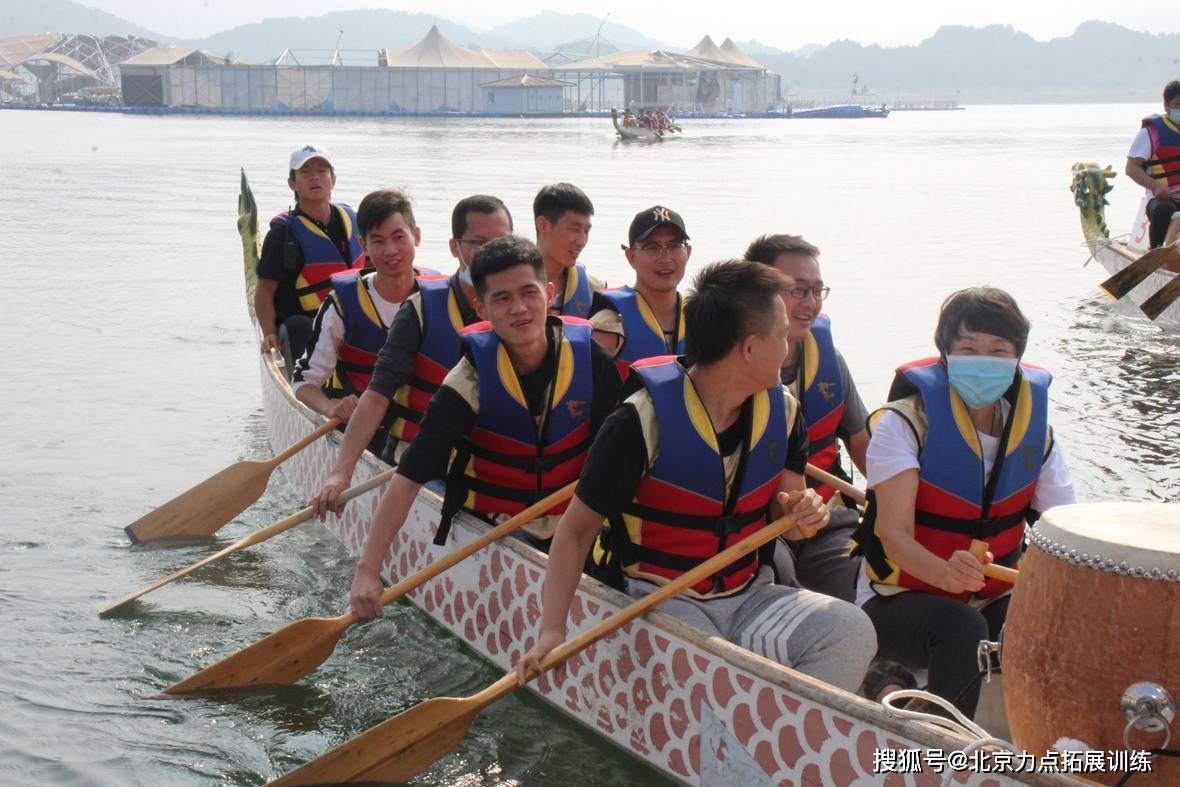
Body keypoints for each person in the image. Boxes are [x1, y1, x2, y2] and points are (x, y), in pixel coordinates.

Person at [515, 261, 877, 693]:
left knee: (851, 629)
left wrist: (808, 513)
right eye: (781, 336)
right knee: (711, 666)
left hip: (749, 595)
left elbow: (795, 525)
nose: (788, 347)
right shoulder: (638, 421)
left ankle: (789, 739)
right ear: (748, 348)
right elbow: (574, 531)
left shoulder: (784, 412)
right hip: (660, 598)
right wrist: (552, 632)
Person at [348, 236, 623, 621]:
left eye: (529, 293)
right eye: (502, 298)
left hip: (573, 526)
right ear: (481, 307)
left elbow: (613, 461)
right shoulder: (467, 383)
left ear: (549, 292)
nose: (520, 309)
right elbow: (409, 477)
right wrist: (367, 572)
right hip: (497, 526)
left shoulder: (593, 363)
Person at [850, 287, 1076, 718]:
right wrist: (943, 573)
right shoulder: (905, 423)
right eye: (968, 349)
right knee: (963, 627)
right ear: (945, 354)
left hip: (989, 593)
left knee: (1049, 618)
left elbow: (1062, 526)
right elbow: (894, 537)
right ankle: (944, 754)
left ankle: (1046, 744)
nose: (983, 361)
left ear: (1016, 359)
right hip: (895, 595)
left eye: (998, 350)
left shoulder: (1036, 435)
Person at [310, 195, 513, 518]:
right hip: (423, 461)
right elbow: (377, 396)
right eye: (478, 242)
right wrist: (341, 473)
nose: (490, 253)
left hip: (493, 467)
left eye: (500, 242)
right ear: (454, 247)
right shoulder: (420, 311)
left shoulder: (525, 313)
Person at [744, 234, 869, 601]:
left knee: (862, 584)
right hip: (753, 527)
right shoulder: (727, 366)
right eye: (797, 290)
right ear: (757, 291)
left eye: (817, 291)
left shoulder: (830, 361)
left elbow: (862, 443)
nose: (809, 304)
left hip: (827, 519)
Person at [290, 189, 419, 435]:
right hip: (361, 431)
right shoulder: (341, 303)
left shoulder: (442, 298)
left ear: (416, 236)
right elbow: (303, 382)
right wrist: (330, 408)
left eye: (399, 237)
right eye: (378, 241)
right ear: (364, 246)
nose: (390, 250)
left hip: (419, 436)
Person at [255, 144, 365, 371]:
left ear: (333, 179)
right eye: (305, 173)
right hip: (305, 325)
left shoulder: (355, 221)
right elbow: (264, 292)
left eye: (322, 171)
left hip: (351, 319)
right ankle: (305, 388)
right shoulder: (282, 235)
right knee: (298, 327)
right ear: (292, 183)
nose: (315, 178)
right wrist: (269, 333)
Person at [589, 206, 689, 378]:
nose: (665, 258)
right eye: (652, 247)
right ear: (631, 257)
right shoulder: (609, 323)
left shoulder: (702, 316)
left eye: (674, 246)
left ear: (687, 252)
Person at [534, 183, 605, 318]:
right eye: (575, 229)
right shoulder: (508, 283)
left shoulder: (594, 288)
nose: (582, 241)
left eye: (586, 231)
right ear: (543, 225)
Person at [1126, 80, 1180, 250]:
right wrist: (1156, 187)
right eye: (1178, 105)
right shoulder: (1152, 132)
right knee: (1164, 209)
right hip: (1164, 199)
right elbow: (1132, 168)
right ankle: (1156, 254)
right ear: (1166, 106)